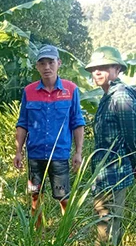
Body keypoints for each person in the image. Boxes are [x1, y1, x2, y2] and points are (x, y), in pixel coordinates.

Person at [85, 46, 136, 246]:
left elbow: (133, 135)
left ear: (117, 69)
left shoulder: (121, 96)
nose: (98, 72)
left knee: (105, 220)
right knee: (110, 219)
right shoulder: (108, 96)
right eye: (94, 69)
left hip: (115, 169)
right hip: (106, 169)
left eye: (104, 67)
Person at [14, 45, 85, 226]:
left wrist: (78, 152)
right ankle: (37, 234)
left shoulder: (70, 90)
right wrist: (18, 152)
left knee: (63, 196)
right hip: (35, 156)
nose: (47, 67)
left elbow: (77, 122)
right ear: (37, 66)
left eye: (51, 62)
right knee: (35, 195)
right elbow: (23, 123)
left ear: (58, 63)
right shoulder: (29, 91)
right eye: (42, 63)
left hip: (59, 155)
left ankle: (66, 233)